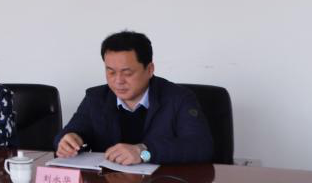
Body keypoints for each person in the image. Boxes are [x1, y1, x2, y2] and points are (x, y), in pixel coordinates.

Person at [55, 30, 213, 165]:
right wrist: (69, 139)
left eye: (127, 73)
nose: (118, 81)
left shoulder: (178, 98)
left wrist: (144, 152)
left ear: (149, 69)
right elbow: (68, 133)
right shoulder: (96, 98)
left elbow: (201, 147)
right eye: (111, 72)